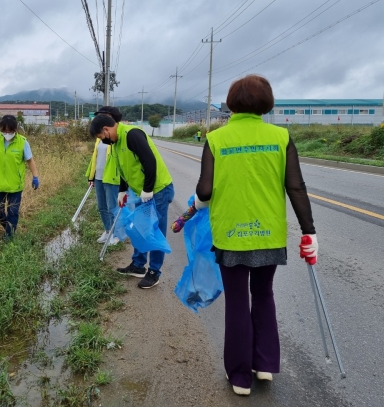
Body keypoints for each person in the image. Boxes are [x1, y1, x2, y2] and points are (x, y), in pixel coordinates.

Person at [194, 75, 317, 396]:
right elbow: (295, 186)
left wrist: (196, 202)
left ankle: (239, 377)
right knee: (264, 294)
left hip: (231, 236)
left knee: (237, 302)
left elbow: (205, 191)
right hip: (269, 235)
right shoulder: (280, 136)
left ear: (232, 102)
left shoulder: (217, 139)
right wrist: (309, 232)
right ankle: (264, 364)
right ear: (267, 102)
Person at [89, 113, 175, 289]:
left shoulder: (132, 135)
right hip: (141, 191)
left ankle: (154, 272)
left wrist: (148, 188)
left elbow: (150, 161)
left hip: (157, 190)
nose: (103, 141)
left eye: (101, 137)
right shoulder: (116, 142)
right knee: (138, 228)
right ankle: (138, 265)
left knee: (153, 231)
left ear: (106, 129)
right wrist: (122, 190)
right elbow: (124, 168)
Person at [0, 115, 39, 238]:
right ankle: (9, 228)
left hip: (15, 184)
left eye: (10, 131)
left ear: (16, 129)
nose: (7, 133)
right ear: (1, 129)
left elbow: (30, 160)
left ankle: (9, 237)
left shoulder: (22, 142)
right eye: (4, 131)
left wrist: (35, 177)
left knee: (13, 212)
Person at [85, 107, 121, 245]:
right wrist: (91, 176)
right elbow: (95, 157)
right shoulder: (99, 138)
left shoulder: (115, 135)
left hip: (111, 177)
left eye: (102, 116)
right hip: (99, 177)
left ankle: (116, 234)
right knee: (102, 207)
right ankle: (107, 231)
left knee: (113, 207)